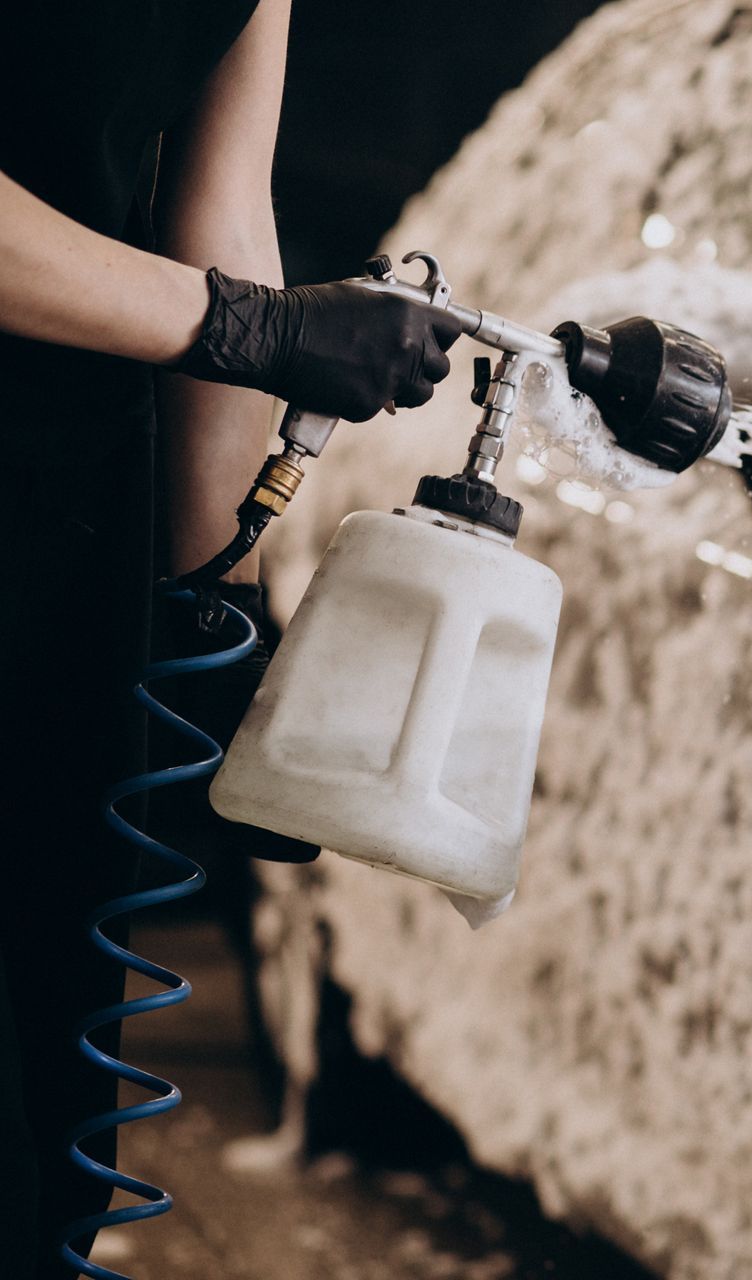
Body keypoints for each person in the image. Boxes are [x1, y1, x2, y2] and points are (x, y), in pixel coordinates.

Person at [0, 3, 461, 1273]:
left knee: (58, 1111)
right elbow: (228, 310)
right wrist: (249, 327)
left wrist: (224, 606)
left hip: (68, 517)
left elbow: (224, 233)